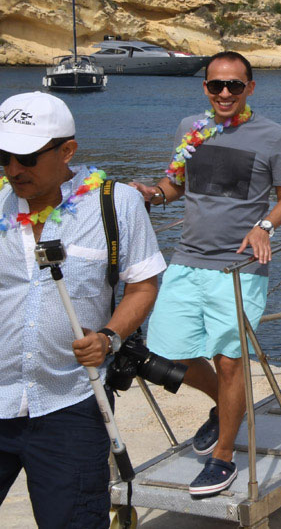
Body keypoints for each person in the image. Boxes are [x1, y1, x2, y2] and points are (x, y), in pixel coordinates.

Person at [134, 52, 281, 497]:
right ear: (205, 87)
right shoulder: (190, 128)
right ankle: (220, 410)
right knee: (167, 353)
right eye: (216, 85)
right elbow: (178, 184)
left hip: (239, 267)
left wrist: (265, 226)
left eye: (235, 86)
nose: (225, 93)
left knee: (229, 362)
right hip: (186, 259)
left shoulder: (274, 135)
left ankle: (224, 457)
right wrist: (152, 193)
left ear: (250, 88)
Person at [0, 93, 164, 525]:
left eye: (28, 157)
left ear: (67, 150)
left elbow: (144, 284)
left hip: (70, 405)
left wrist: (109, 337)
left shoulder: (117, 202)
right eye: (4, 156)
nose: (14, 169)